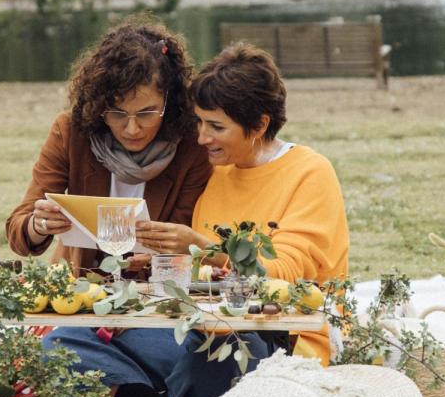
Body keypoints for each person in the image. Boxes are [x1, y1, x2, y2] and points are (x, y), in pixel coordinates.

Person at [137, 41, 349, 368]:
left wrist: (200, 246)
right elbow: (204, 278)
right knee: (77, 339)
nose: (202, 138)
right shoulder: (216, 173)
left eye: (216, 127)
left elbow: (281, 278)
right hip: (208, 327)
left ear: (260, 125)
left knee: (212, 348)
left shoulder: (310, 172)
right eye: (200, 122)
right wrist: (161, 260)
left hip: (282, 338)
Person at [5, 19, 211, 274]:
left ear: (170, 101)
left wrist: (158, 257)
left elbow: (188, 236)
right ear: (98, 105)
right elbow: (18, 232)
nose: (132, 129)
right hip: (76, 287)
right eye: (117, 114)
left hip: (158, 290)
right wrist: (39, 225)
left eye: (147, 113)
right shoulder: (71, 131)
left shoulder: (193, 143)